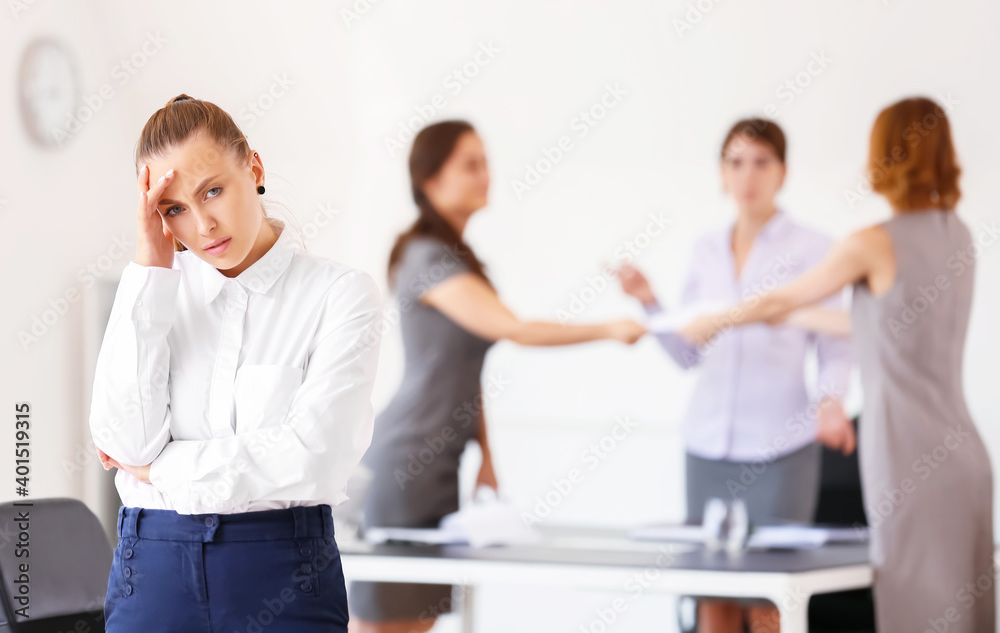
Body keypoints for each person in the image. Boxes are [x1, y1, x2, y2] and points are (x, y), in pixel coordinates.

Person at [680, 97, 996, 632]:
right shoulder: (959, 236)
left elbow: (778, 300)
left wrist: (720, 319)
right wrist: (795, 317)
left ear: (885, 156)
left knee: (915, 612)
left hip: (907, 454)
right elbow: (882, 327)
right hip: (964, 455)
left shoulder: (869, 245)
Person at [89, 94, 383, 632]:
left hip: (285, 572)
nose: (203, 225)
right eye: (174, 209)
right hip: (153, 569)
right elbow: (123, 441)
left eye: (213, 191)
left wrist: (159, 470)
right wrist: (151, 269)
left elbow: (314, 457)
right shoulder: (154, 295)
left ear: (254, 167)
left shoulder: (340, 295)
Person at [347, 120, 646, 633]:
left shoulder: (458, 259)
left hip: (442, 467)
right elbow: (516, 329)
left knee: (417, 625)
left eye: (485, 161)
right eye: (471, 164)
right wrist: (610, 328)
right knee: (382, 627)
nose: (486, 174)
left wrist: (487, 455)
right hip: (406, 468)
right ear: (431, 179)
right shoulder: (425, 257)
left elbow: (468, 371)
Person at [617, 117, 856, 633]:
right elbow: (687, 353)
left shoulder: (815, 248)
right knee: (713, 595)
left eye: (761, 162)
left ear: (783, 172)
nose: (747, 175)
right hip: (707, 447)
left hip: (781, 447)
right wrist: (650, 302)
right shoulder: (705, 248)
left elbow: (837, 343)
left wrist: (832, 401)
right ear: (722, 174)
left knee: (768, 599)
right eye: (735, 162)